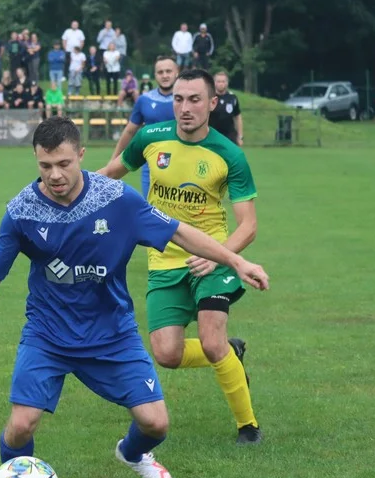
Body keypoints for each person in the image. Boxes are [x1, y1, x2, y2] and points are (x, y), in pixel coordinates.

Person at [0, 117, 269, 478]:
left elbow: (179, 232)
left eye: (64, 163)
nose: (55, 175)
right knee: (20, 425)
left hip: (112, 333)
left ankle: (133, 454)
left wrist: (234, 260)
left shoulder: (118, 200)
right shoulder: (22, 211)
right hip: (48, 335)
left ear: (81, 155)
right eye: (45, 166)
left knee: (156, 424)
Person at [98, 68, 263, 444]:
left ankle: (248, 426)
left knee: (210, 337)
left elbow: (248, 225)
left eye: (194, 100)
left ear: (212, 103)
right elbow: (112, 172)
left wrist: (221, 257)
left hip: (213, 259)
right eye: (178, 99)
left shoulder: (228, 154)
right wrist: (74, 188)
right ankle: (230, 354)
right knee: (167, 354)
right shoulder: (150, 138)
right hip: (164, 261)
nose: (184, 108)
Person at [109, 56, 179, 197]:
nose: (164, 75)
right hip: (151, 165)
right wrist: (113, 160)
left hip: (181, 164)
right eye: (160, 72)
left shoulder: (186, 100)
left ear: (176, 72)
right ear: (155, 75)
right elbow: (129, 131)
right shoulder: (144, 100)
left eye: (168, 71)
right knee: (152, 211)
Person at [210, 71, 244, 145]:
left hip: (230, 137)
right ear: (214, 82)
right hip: (213, 135)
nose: (221, 84)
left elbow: (237, 117)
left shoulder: (232, 98)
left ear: (227, 83)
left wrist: (240, 136)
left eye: (223, 81)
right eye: (218, 81)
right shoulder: (210, 97)